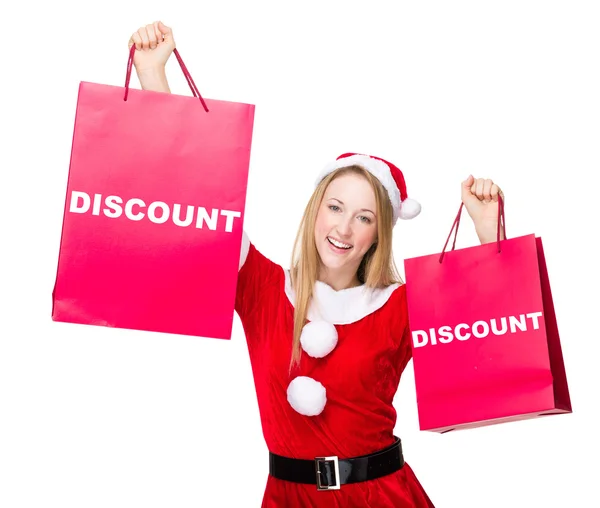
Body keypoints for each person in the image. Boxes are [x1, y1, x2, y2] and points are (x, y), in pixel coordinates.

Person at [128, 21, 506, 508]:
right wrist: (153, 77)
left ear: (378, 234)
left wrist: (488, 231)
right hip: (287, 498)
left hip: (382, 497)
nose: (343, 229)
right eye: (335, 207)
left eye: (364, 217)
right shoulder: (261, 286)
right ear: (315, 210)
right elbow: (191, 192)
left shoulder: (402, 306)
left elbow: (491, 337)